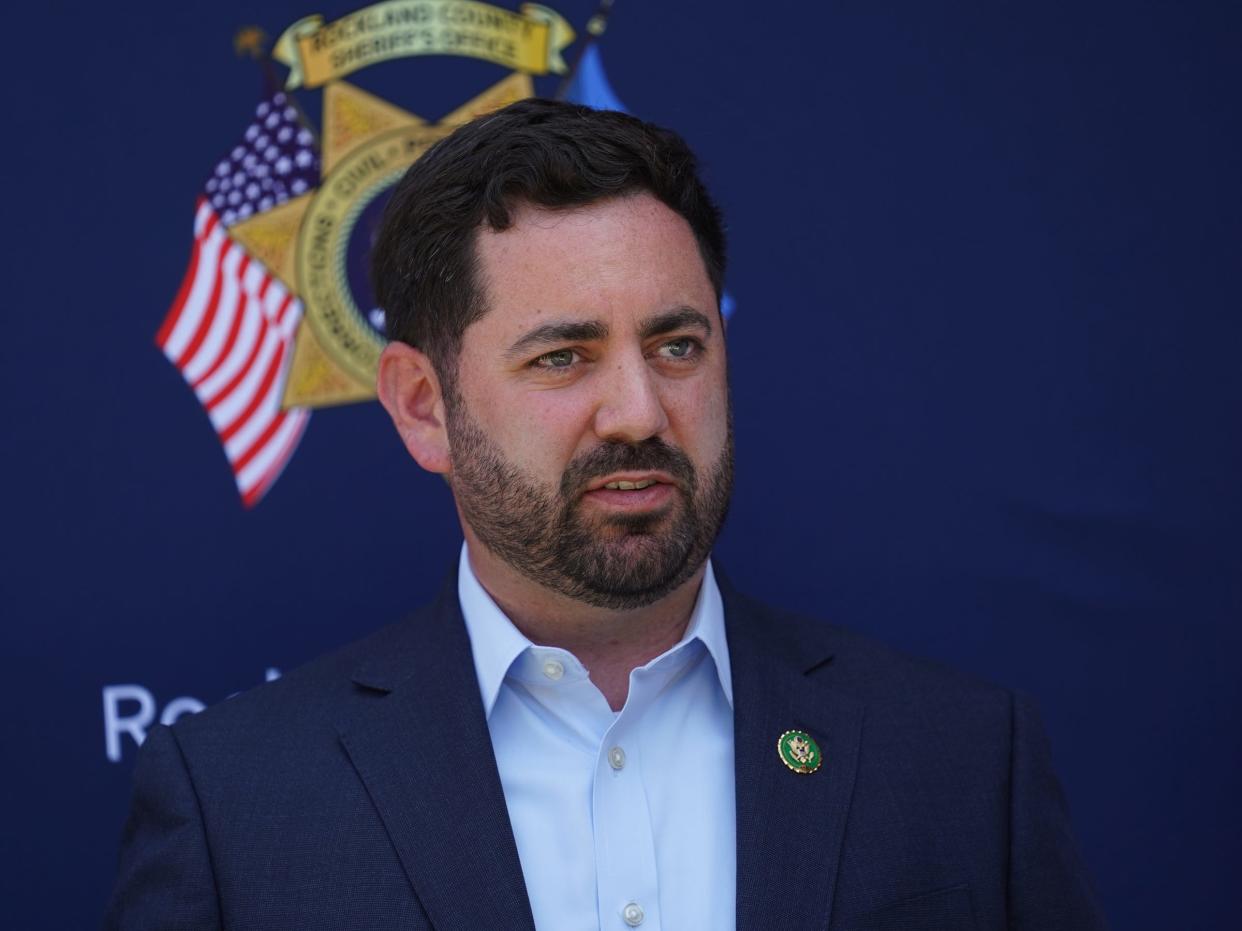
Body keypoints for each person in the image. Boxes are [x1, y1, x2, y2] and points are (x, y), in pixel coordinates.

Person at [106, 98, 1107, 930]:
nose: (638, 412)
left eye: (677, 345)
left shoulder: (961, 761)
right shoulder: (235, 804)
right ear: (423, 407)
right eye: (563, 357)